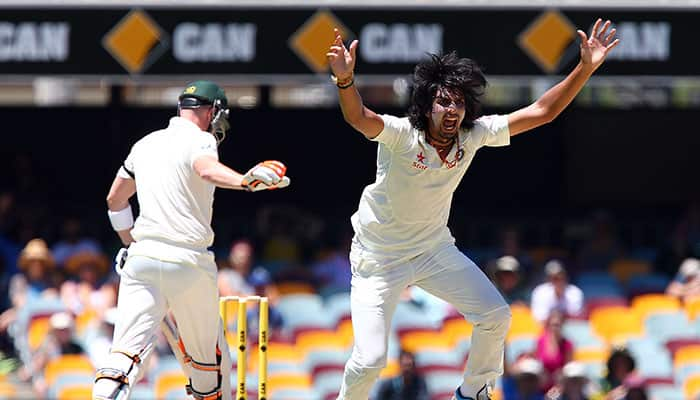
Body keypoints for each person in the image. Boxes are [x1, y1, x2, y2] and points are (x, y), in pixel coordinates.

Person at [326, 17, 619, 400]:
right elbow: (358, 118)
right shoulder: (401, 136)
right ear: (425, 104)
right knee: (370, 362)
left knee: (496, 315)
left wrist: (585, 67)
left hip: (433, 250)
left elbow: (543, 112)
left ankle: (472, 393)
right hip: (378, 260)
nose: (453, 110)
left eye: (460, 103)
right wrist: (345, 81)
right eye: (443, 101)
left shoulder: (473, 135)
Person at [92, 80, 291, 400]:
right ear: (212, 112)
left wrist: (130, 244)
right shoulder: (200, 141)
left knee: (124, 358)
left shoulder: (145, 144)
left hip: (141, 260)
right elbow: (206, 170)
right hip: (187, 262)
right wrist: (244, 181)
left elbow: (115, 200)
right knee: (209, 363)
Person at [535, 310, 573, 391]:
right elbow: (537, 363)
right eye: (553, 325)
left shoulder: (567, 344)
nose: (555, 328)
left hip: (560, 385)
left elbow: (568, 368)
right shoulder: (541, 341)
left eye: (557, 325)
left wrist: (559, 386)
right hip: (542, 384)